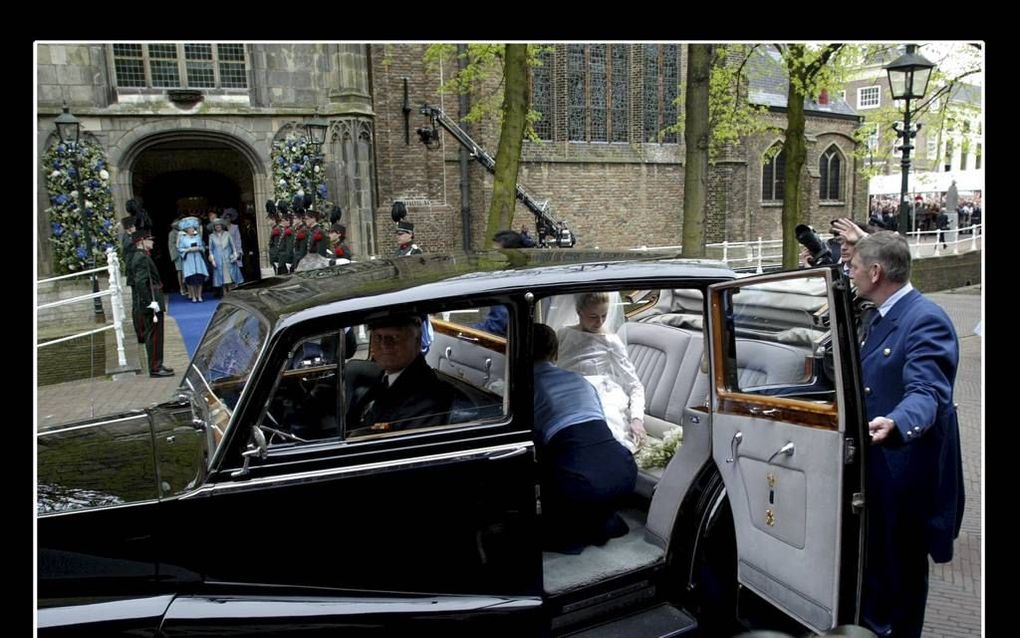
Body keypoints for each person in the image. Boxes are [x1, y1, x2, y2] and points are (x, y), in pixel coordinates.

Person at [847, 231, 964, 638]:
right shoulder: (873, 315)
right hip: (875, 470)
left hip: (904, 476)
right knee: (876, 570)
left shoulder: (924, 318)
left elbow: (929, 391)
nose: (851, 273)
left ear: (876, 272)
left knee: (901, 579)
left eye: (855, 267)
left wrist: (898, 421)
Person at [532, 323, 637, 553]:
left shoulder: (527, 387)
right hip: (625, 472)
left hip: (578, 483)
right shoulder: (580, 380)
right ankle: (600, 522)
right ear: (555, 353)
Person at [555, 292, 647, 452]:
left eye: (604, 315)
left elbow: (635, 385)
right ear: (579, 312)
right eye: (593, 316)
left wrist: (637, 418)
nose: (599, 322)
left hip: (598, 397)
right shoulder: (563, 334)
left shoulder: (610, 341)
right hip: (566, 394)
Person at [346, 314, 457, 434]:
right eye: (378, 337)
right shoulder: (388, 376)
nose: (384, 345)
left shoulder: (426, 401)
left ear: (417, 341)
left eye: (395, 337)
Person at [127, 230, 174, 378]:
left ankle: (157, 364)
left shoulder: (141, 256)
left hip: (151, 299)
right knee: (154, 335)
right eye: (149, 240)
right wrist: (150, 302)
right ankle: (155, 367)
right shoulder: (141, 258)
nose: (152, 242)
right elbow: (141, 283)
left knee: (155, 335)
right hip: (151, 301)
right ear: (141, 241)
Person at [469, 230, 525, 336]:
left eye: (499, 252)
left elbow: (496, 327)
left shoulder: (510, 280)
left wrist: (461, 331)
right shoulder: (519, 273)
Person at [208, 218, 244, 295]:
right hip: (218, 259)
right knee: (222, 279)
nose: (218, 226)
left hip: (228, 258)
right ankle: (224, 294)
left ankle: (231, 294)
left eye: (219, 225)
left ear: (222, 225)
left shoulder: (227, 234)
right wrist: (213, 260)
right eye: (216, 225)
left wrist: (235, 254)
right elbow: (210, 249)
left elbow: (233, 246)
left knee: (230, 278)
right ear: (214, 227)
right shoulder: (211, 236)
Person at [177, 217, 209, 303]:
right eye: (190, 228)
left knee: (199, 279)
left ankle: (199, 295)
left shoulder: (197, 237)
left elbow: (202, 247)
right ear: (186, 230)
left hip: (198, 260)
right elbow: (179, 249)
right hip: (189, 261)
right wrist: (187, 250)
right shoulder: (183, 238)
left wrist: (198, 248)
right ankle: (193, 296)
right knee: (191, 279)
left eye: (193, 228)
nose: (192, 229)